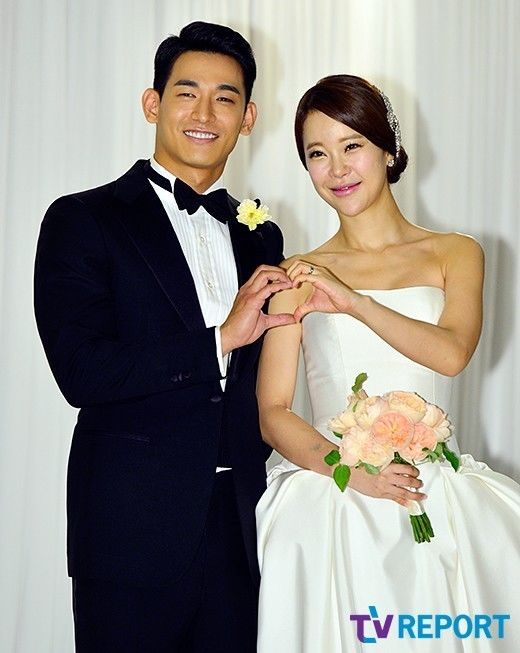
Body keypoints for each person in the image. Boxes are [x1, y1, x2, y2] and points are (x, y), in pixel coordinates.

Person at [34, 21, 294, 652]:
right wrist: (218, 339)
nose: (205, 114)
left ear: (248, 117)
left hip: (242, 532)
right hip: (130, 533)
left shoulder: (262, 237)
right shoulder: (83, 218)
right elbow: (82, 371)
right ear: (153, 103)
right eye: (186, 93)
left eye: (225, 98)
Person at [255, 74, 520, 652]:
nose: (337, 169)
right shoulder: (296, 275)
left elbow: (451, 354)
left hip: (435, 489)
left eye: (351, 145)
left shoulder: (455, 253)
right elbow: (273, 412)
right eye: (317, 154)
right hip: (332, 498)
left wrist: (354, 302)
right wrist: (351, 472)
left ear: (389, 150)